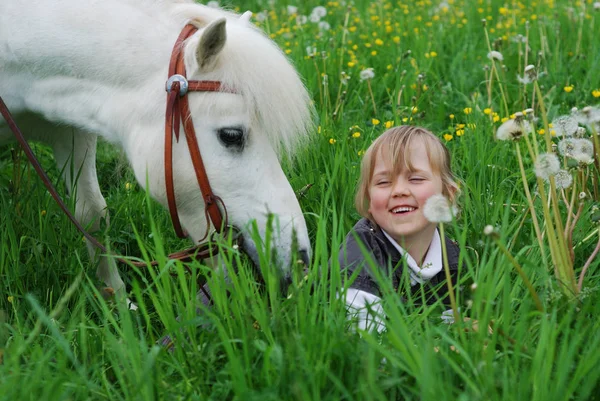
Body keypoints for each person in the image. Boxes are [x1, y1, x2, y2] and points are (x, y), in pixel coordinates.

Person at [336, 125, 461, 333]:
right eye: (384, 182)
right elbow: (368, 347)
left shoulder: (450, 257)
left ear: (448, 195)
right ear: (369, 200)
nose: (399, 191)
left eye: (416, 179)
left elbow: (444, 319)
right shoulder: (358, 262)